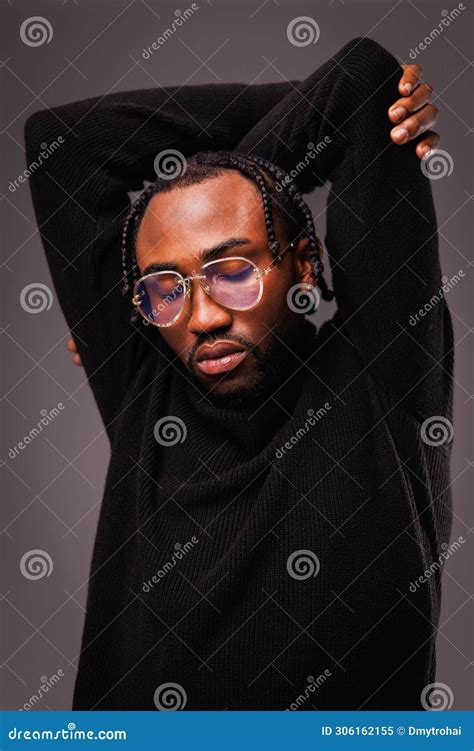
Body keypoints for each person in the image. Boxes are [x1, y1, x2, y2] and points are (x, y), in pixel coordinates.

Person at [25, 37, 452, 710]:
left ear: (306, 264)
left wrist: (236, 183)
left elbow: (362, 86)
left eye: (232, 270)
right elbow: (63, 142)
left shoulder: (381, 367)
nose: (201, 318)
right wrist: (250, 177)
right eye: (167, 285)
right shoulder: (145, 377)